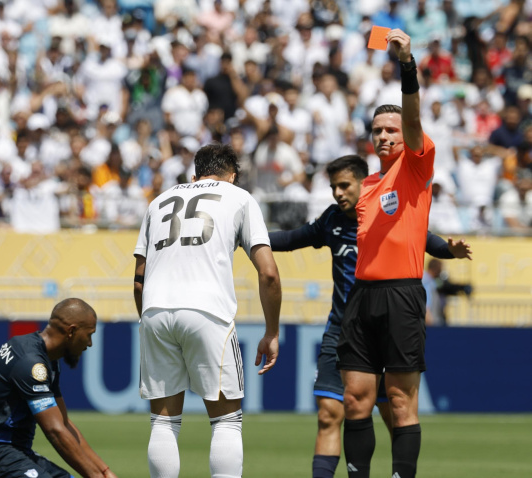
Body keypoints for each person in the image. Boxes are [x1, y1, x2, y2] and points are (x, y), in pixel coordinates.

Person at [268, 155, 472, 478]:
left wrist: (449, 251)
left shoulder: (385, 210)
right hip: (341, 327)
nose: (337, 192)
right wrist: (248, 238)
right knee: (328, 414)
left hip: (383, 324)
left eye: (344, 185)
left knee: (394, 413)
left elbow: (425, 238)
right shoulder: (331, 220)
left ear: (365, 183)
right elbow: (293, 239)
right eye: (333, 186)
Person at [133, 143, 281, 478]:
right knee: (226, 421)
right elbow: (268, 272)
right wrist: (272, 332)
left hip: (155, 310)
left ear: (194, 174)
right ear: (233, 175)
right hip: (208, 311)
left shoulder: (157, 202)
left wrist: (147, 320)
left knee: (163, 423)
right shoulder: (238, 196)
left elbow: (139, 279)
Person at [337, 29, 434, 478]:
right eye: (376, 131)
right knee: (355, 397)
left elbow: (412, 120)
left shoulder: (415, 166)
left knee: (398, 399)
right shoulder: (368, 187)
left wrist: (407, 63)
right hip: (363, 295)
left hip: (401, 295)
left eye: (390, 130)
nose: (383, 137)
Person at [0, 298, 117, 478]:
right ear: (71, 331)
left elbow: (63, 422)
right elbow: (55, 430)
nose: (89, 343)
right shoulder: (32, 363)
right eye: (89, 334)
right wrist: (94, 475)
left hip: (12, 452)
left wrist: (104, 471)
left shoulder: (43, 356)